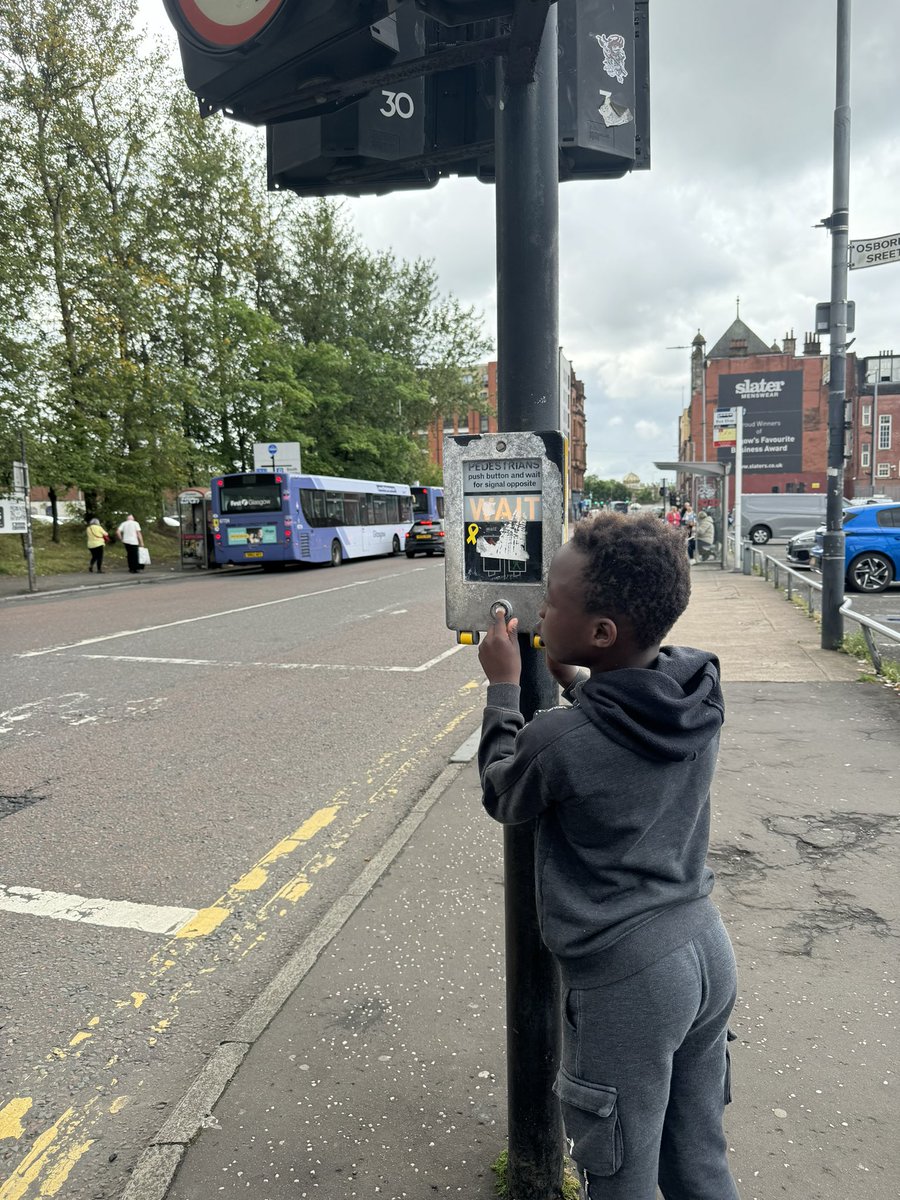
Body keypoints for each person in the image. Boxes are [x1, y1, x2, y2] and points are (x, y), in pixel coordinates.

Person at [476, 512, 739, 1200]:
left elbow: (504, 791)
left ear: (600, 633)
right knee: (698, 1157)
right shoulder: (698, 690)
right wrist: (578, 681)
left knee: (620, 1178)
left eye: (553, 599)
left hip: (629, 981)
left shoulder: (559, 741)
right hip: (704, 949)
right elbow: (628, 720)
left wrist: (503, 689)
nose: (540, 609)